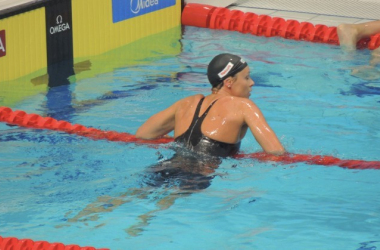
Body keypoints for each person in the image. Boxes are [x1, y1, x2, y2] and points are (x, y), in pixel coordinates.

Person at [136, 53, 285, 157]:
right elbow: (276, 152)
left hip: (167, 164)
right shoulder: (244, 106)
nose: (252, 82)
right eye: (246, 78)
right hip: (199, 177)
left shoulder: (186, 103)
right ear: (229, 82)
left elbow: (143, 135)